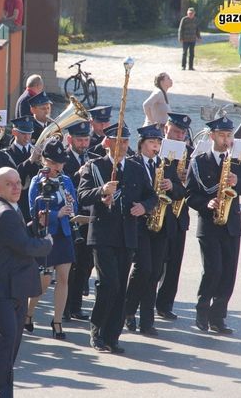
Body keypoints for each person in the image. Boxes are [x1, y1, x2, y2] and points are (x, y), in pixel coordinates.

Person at [78, 124, 157, 353]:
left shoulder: (135, 168)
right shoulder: (95, 167)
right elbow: (82, 196)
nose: (121, 146)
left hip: (127, 235)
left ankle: (113, 335)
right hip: (102, 235)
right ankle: (97, 331)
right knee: (108, 284)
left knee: (121, 287)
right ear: (107, 143)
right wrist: (102, 191)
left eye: (125, 141)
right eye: (117, 141)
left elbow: (150, 195)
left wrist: (144, 206)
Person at [0, 167, 52, 398]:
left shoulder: (11, 208)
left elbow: (17, 236)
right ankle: (2, 394)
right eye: (10, 183)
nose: (16, 187)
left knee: (10, 344)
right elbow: (26, 246)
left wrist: (34, 225)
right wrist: (47, 242)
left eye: (18, 182)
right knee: (7, 342)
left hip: (14, 285)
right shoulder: (4, 212)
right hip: (1, 287)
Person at [186, 116, 241, 333]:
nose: (226, 140)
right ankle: (202, 310)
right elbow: (189, 195)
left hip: (232, 224)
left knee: (228, 273)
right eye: (222, 135)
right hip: (209, 225)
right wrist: (206, 202)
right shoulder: (199, 162)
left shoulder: (238, 160)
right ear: (212, 136)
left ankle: (218, 318)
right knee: (213, 270)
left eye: (229, 135)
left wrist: (238, 182)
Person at [124, 124, 184, 336]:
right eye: (151, 143)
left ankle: (147, 322)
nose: (155, 147)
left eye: (158, 143)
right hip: (140, 224)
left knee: (155, 272)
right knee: (144, 269)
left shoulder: (165, 165)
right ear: (141, 144)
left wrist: (172, 186)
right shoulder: (132, 164)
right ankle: (129, 310)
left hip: (160, 225)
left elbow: (181, 192)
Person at [26, 139, 77, 340]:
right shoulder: (37, 182)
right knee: (44, 281)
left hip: (64, 234)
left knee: (64, 278)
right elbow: (33, 211)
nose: (59, 167)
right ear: (45, 161)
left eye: (61, 163)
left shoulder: (66, 181)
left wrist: (72, 208)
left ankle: (57, 321)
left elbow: (75, 202)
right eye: (54, 163)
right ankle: (28, 313)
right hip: (47, 233)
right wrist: (58, 214)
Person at [155, 113, 193, 320]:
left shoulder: (190, 153)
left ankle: (165, 304)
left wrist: (189, 176)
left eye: (183, 133)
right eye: (176, 131)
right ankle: (143, 301)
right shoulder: (155, 148)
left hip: (179, 215)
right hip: (159, 213)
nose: (179, 136)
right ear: (166, 128)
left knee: (174, 264)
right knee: (154, 264)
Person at [62, 121, 98, 320]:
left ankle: (76, 306)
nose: (84, 144)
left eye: (86, 140)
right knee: (71, 266)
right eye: (80, 140)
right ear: (70, 140)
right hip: (70, 218)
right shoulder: (64, 159)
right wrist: (79, 173)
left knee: (85, 264)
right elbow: (62, 183)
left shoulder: (93, 159)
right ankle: (65, 307)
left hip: (89, 218)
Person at [5, 116, 42, 221]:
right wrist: (30, 160)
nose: (27, 137)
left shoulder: (36, 150)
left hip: (36, 201)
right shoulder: (7, 153)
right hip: (18, 202)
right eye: (23, 133)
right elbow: (13, 175)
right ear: (14, 132)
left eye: (29, 133)